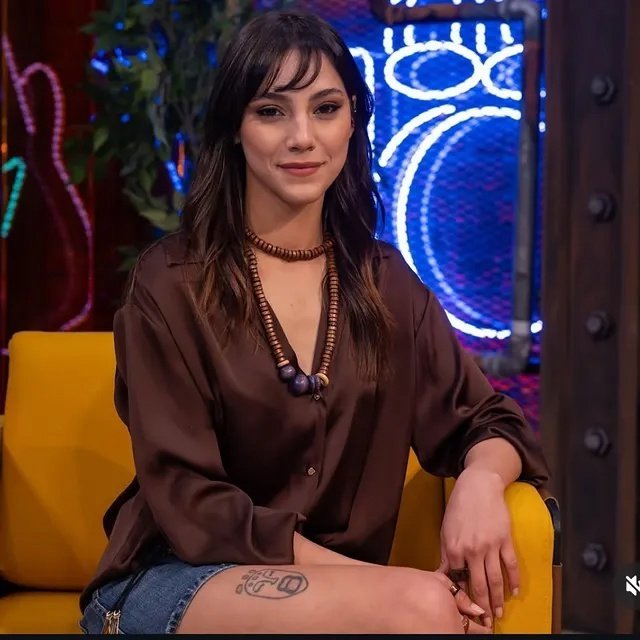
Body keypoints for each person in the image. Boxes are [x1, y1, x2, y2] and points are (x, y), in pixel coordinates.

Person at [79, 9, 549, 635]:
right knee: (424, 609)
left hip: (342, 595)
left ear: (353, 120)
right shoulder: (171, 282)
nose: (303, 137)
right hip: (174, 577)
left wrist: (481, 485)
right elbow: (193, 501)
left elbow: (487, 420)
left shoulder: (386, 284)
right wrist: (378, 586)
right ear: (235, 129)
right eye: (272, 111)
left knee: (428, 609)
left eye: (325, 108)